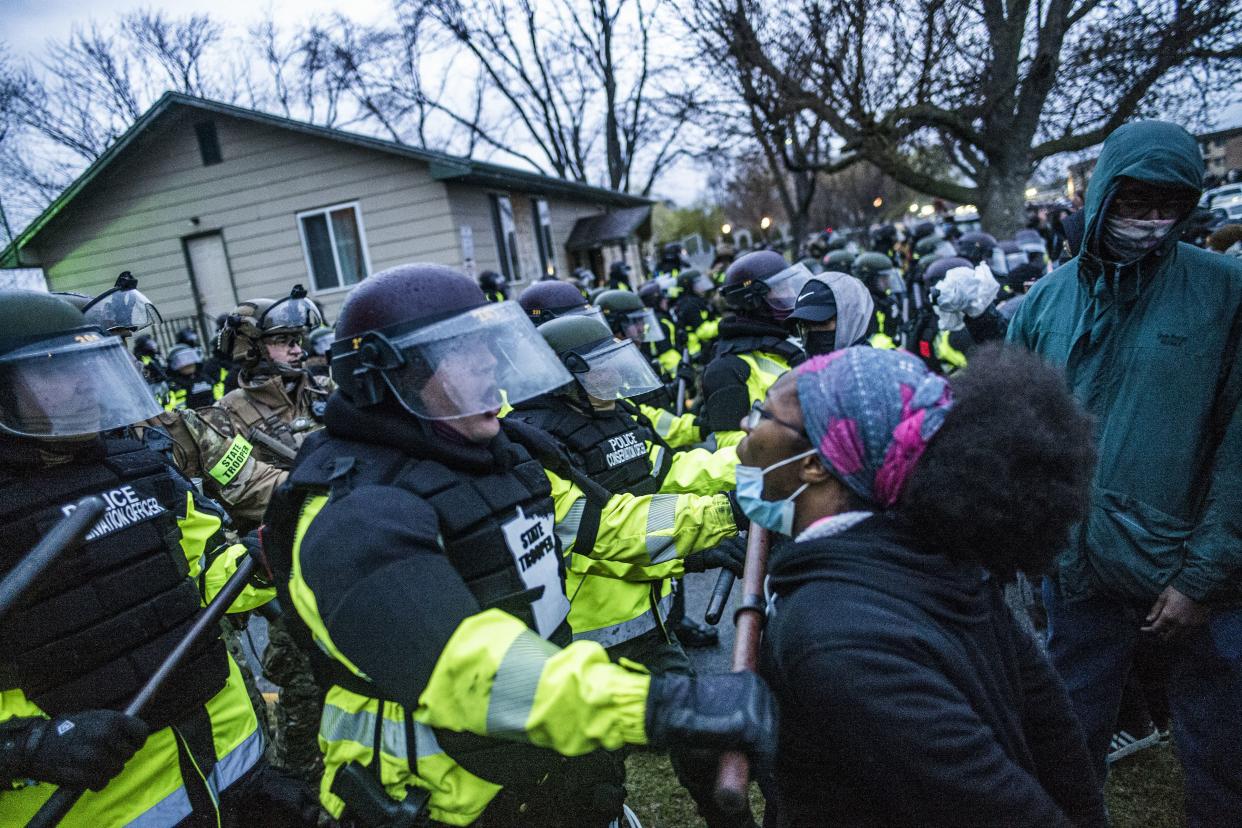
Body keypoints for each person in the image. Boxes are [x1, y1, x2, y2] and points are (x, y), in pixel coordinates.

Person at [264, 263, 775, 826]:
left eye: (488, 344)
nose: (488, 362)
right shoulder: (353, 512)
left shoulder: (500, 453)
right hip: (443, 801)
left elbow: (599, 528)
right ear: (390, 375)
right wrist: (664, 705)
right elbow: (464, 664)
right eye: (458, 350)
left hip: (549, 767)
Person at [745, 345, 1106, 827]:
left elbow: (994, 803)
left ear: (815, 463)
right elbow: (1054, 733)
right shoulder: (938, 560)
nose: (748, 430)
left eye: (764, 413)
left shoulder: (835, 639)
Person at [0, 290, 311, 826]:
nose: (81, 384)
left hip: (231, 762)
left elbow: (211, 568)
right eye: (52, 370)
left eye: (85, 365)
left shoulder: (137, 466)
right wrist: (24, 748)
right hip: (95, 807)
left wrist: (268, 556)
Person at [1007, 120, 1242, 826]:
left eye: (1167, 205)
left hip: (1196, 575)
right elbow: (1015, 427)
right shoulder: (1047, 303)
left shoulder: (1224, 292)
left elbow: (1239, 446)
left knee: (1220, 747)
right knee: (1065, 741)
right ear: (1102, 195)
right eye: (1134, 202)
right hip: (1079, 566)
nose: (1149, 221)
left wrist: (1202, 575)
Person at [209, 285, 333, 786]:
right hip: (282, 566)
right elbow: (241, 491)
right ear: (254, 348)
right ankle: (295, 780)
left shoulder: (326, 391)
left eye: (299, 338)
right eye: (284, 340)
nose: (297, 348)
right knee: (302, 685)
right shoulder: (227, 414)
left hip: (343, 550)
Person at [700, 251, 809, 448]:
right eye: (780, 288)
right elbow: (734, 447)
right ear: (753, 301)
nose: (791, 293)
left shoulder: (792, 341)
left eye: (789, 285)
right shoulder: (726, 369)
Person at [787, 271, 874, 357]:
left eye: (821, 323)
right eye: (804, 325)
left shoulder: (875, 368)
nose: (812, 332)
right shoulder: (803, 367)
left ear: (851, 319)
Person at [164, 344, 222, 410]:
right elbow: (178, 408)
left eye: (190, 358)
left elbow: (219, 398)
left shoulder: (205, 378)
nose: (188, 364)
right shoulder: (175, 385)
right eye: (182, 361)